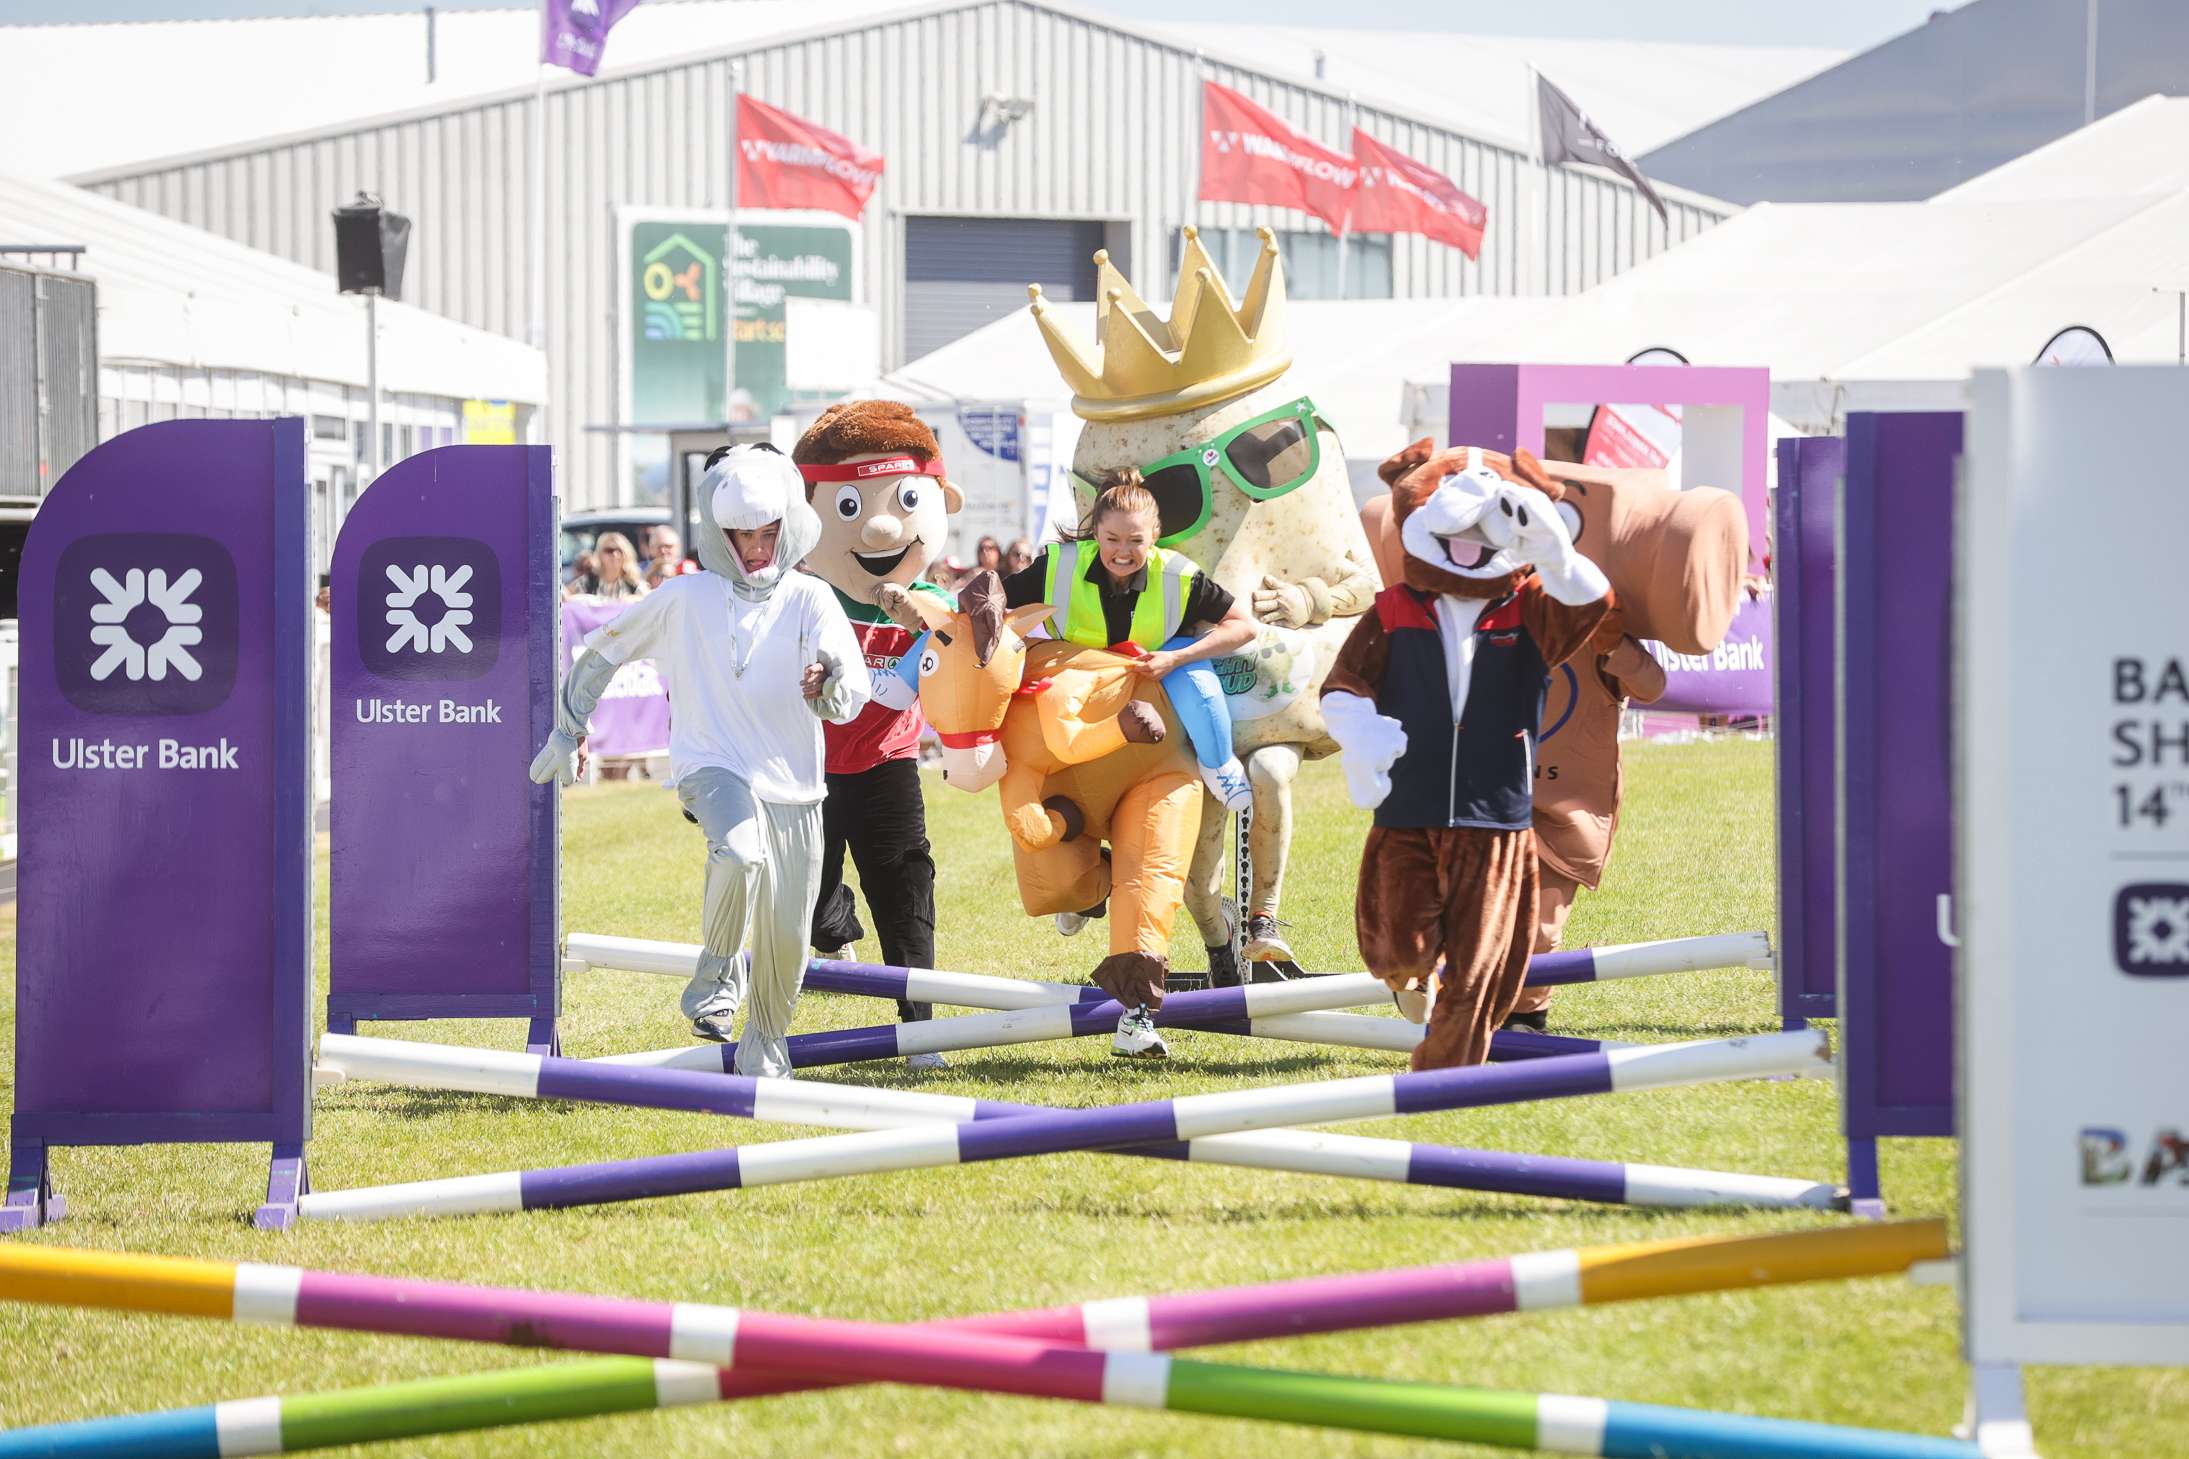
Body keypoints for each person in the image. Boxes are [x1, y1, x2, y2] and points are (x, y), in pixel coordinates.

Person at [530, 444, 870, 1075]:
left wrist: (827, 683)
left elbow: (850, 683)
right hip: (710, 763)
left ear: (787, 529)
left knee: (788, 936)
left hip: (795, 782)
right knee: (740, 853)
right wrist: (569, 726)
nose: (757, 548)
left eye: (768, 533)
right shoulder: (685, 596)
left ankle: (765, 1044)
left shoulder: (810, 597)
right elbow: (603, 652)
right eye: (744, 535)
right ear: (722, 534)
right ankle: (715, 981)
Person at [998, 471, 1256, 820]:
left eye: (1135, 540)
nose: (1123, 552)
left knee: (1196, 680)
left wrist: (1178, 657)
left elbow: (1244, 627)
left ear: (1155, 535)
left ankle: (1219, 764)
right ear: (1096, 533)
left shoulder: (1178, 575)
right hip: (1080, 676)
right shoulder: (1059, 566)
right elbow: (997, 597)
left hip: (1154, 672)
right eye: (1112, 539)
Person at [570, 532, 647, 600]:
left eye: (619, 550)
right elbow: (567, 599)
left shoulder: (634, 585)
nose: (615, 555)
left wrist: (634, 599)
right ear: (599, 555)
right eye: (609, 550)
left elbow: (648, 602)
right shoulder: (587, 583)